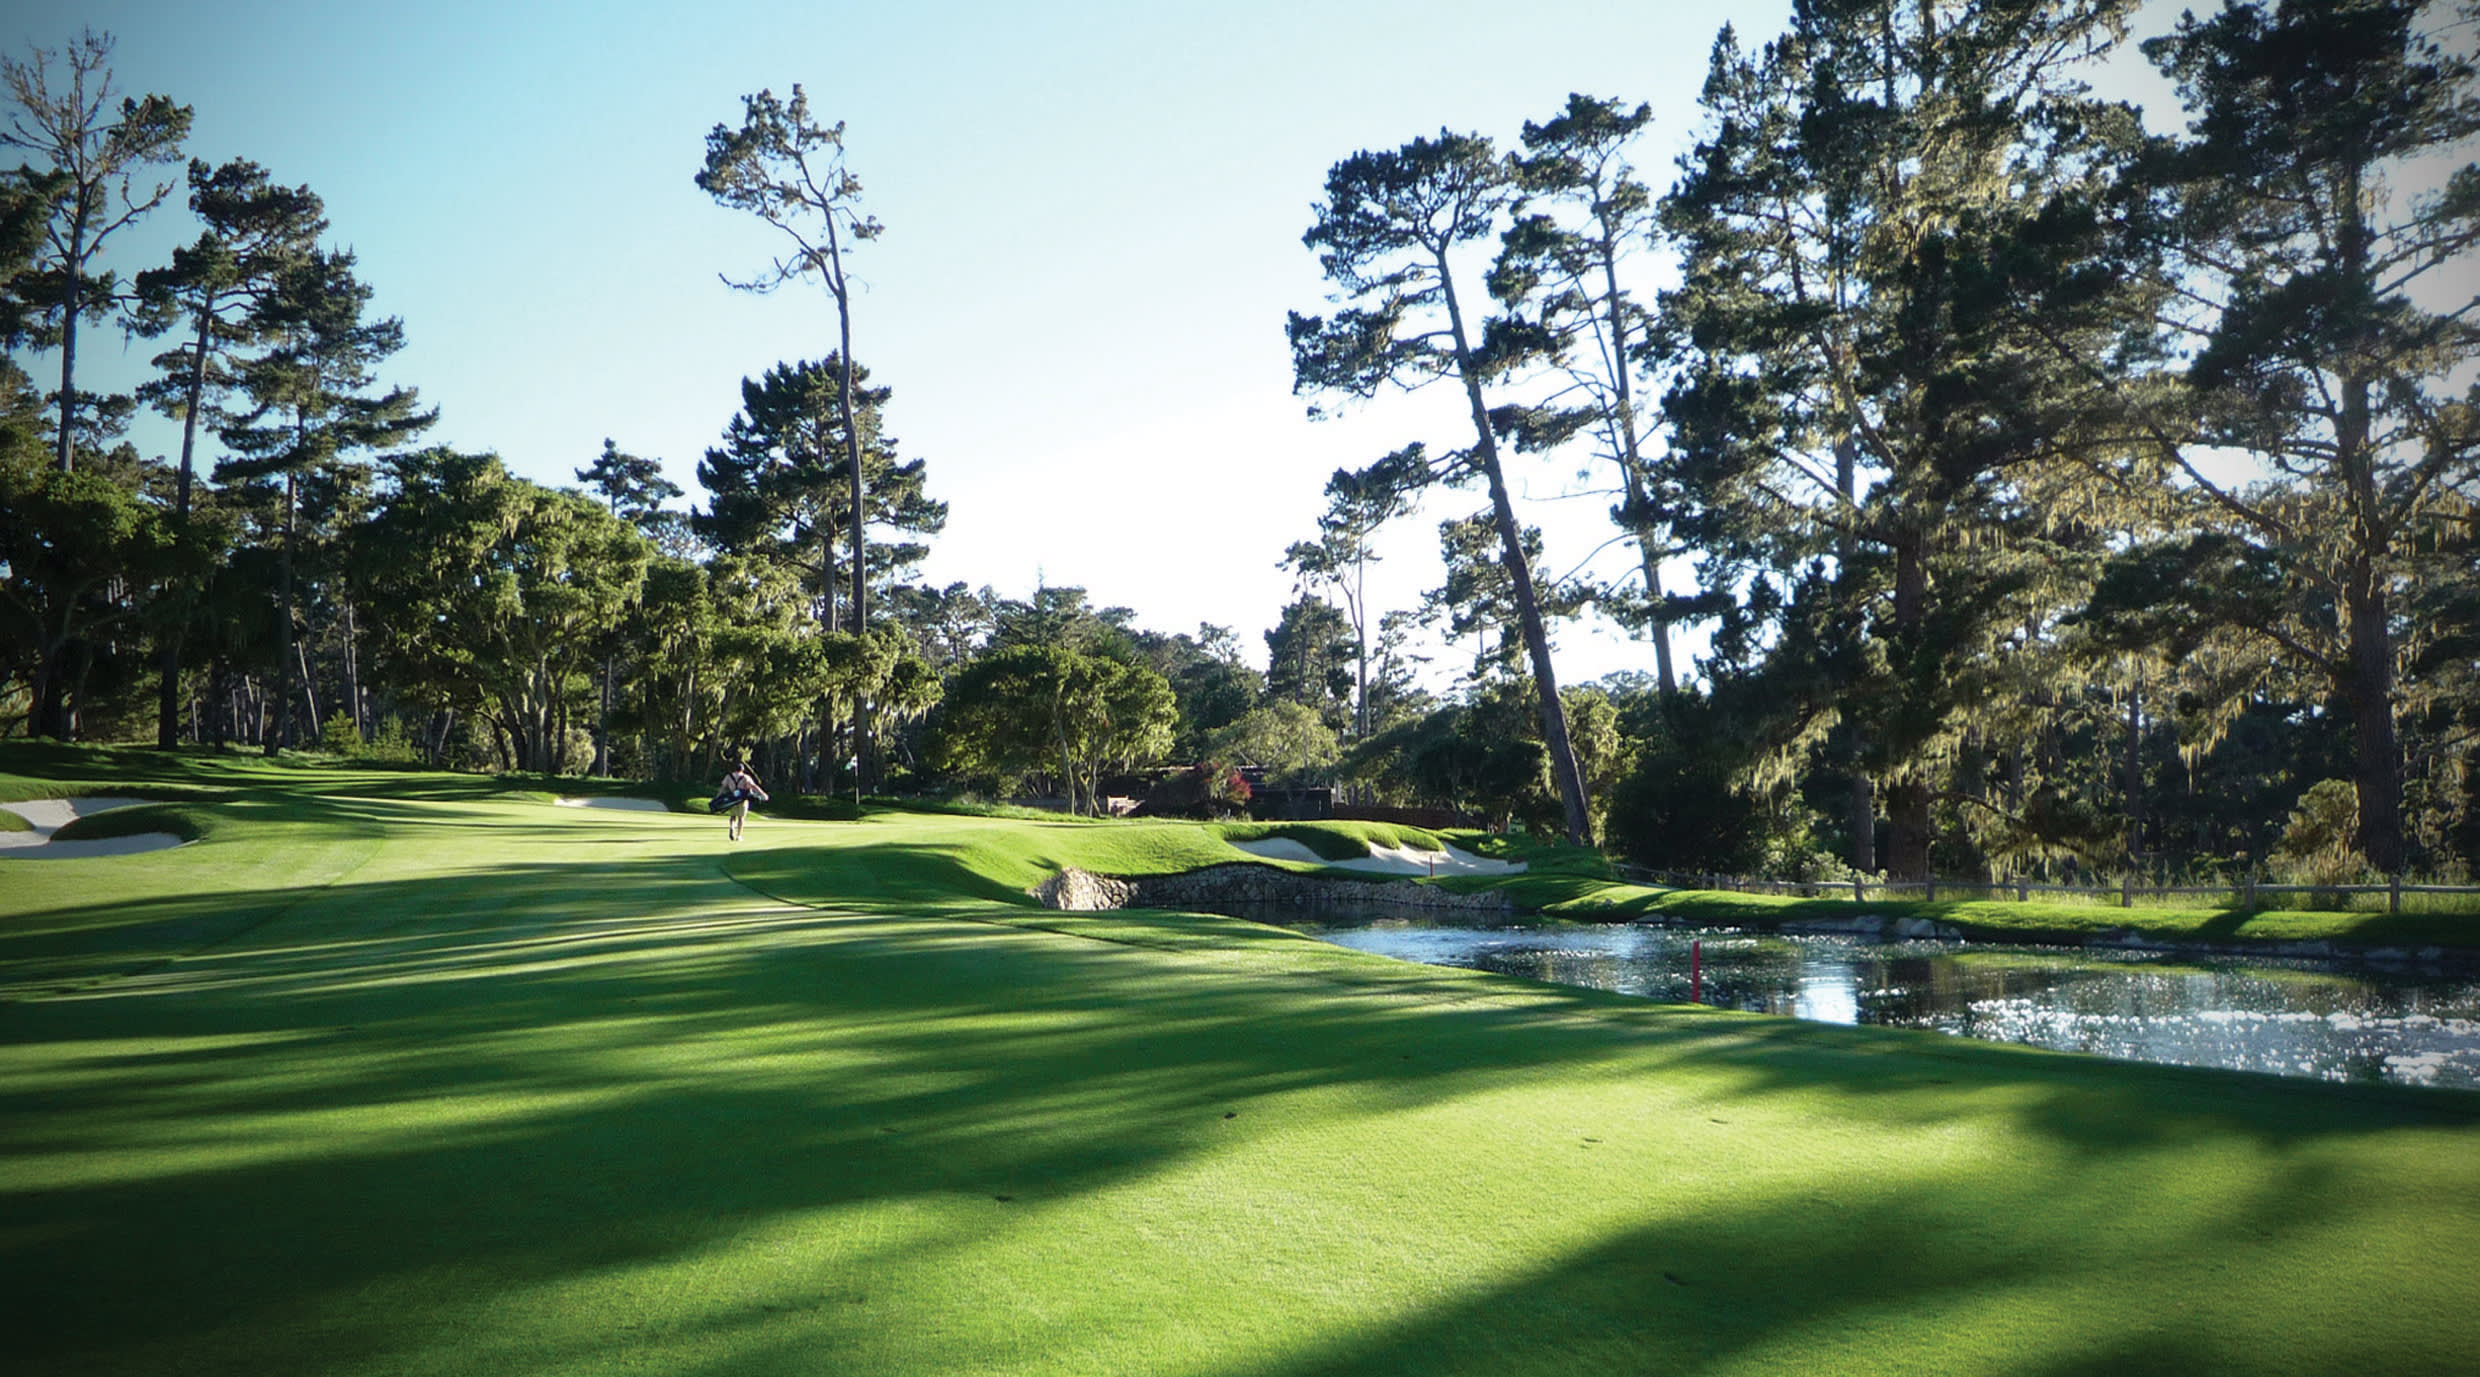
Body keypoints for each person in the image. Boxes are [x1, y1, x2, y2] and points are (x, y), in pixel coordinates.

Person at [718, 760, 769, 842]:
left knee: (733, 816)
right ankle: (739, 836)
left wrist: (718, 796)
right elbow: (753, 786)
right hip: (742, 799)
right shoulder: (746, 777)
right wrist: (762, 794)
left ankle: (732, 826)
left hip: (732, 798)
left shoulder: (729, 776)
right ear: (742, 770)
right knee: (741, 818)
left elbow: (723, 787)